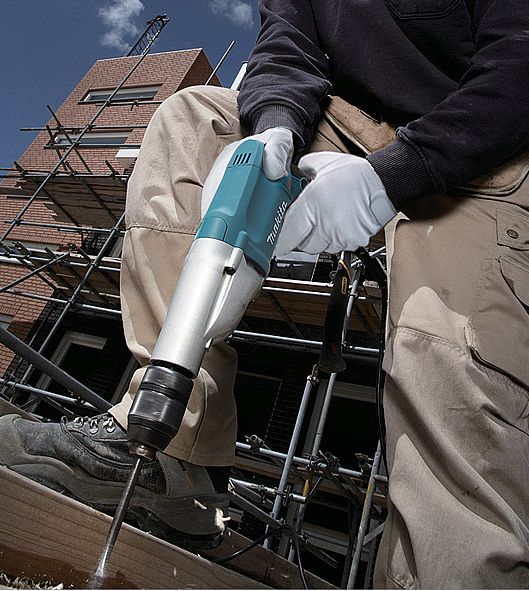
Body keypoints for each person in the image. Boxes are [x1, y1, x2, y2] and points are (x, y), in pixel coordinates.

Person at [1, 0, 529, 586]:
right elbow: (287, 48)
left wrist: (394, 176)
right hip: (348, 124)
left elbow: (518, 57)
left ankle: (449, 568)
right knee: (196, 119)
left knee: (442, 355)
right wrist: (273, 128)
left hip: (485, 139)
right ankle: (175, 454)